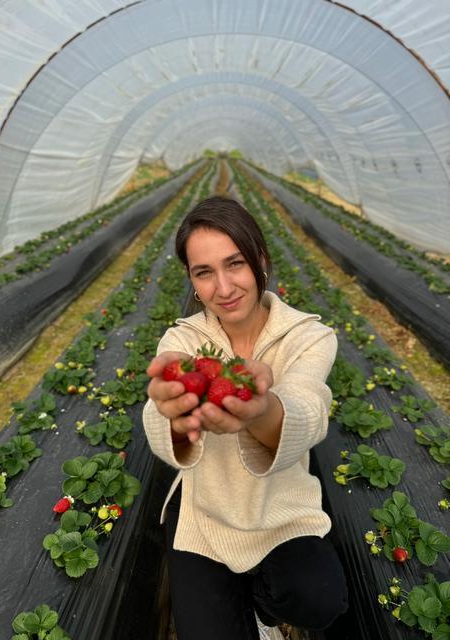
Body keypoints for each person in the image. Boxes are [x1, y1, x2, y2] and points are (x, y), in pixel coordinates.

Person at [142, 196, 348, 640]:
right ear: (193, 283)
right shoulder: (184, 338)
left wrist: (264, 409)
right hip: (205, 515)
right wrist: (173, 417)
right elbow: (158, 414)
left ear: (260, 260)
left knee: (320, 598)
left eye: (234, 264)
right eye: (204, 272)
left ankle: (264, 607)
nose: (224, 287)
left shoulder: (307, 336)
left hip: (281, 507)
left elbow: (309, 410)